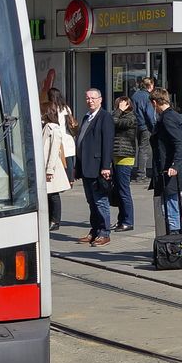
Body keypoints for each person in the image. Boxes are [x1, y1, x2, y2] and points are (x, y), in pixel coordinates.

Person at [73, 87, 114, 245]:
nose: (90, 101)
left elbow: (107, 143)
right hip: (85, 166)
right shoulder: (86, 117)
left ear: (100, 99)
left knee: (100, 201)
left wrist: (106, 166)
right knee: (91, 201)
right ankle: (95, 230)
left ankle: (104, 232)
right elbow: (81, 142)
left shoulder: (105, 118)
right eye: (88, 98)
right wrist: (77, 164)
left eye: (93, 98)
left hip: (98, 167)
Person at [148, 88, 182, 234]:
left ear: (155, 103)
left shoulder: (166, 119)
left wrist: (174, 163)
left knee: (171, 207)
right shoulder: (176, 116)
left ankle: (175, 242)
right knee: (178, 206)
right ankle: (179, 239)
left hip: (169, 172)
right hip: (176, 171)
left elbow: (180, 142)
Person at [39, 97, 73, 230]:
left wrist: (50, 169)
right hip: (47, 165)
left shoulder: (53, 128)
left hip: (52, 166)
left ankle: (55, 220)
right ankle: (50, 219)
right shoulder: (46, 126)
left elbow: (54, 150)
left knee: (53, 194)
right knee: (48, 194)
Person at [110, 91, 141, 230]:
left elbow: (113, 122)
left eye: (120, 105)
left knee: (124, 191)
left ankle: (128, 221)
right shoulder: (121, 115)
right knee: (118, 190)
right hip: (117, 156)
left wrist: (119, 111)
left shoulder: (131, 117)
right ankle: (121, 219)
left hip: (125, 156)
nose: (117, 107)